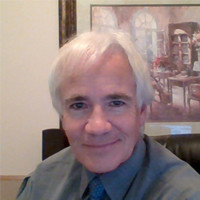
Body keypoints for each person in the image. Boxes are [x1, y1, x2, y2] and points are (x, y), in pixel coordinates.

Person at [17, 31, 200, 200]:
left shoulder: (185, 193)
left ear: (142, 111)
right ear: (63, 117)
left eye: (116, 103)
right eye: (79, 105)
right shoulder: (41, 184)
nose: (97, 127)